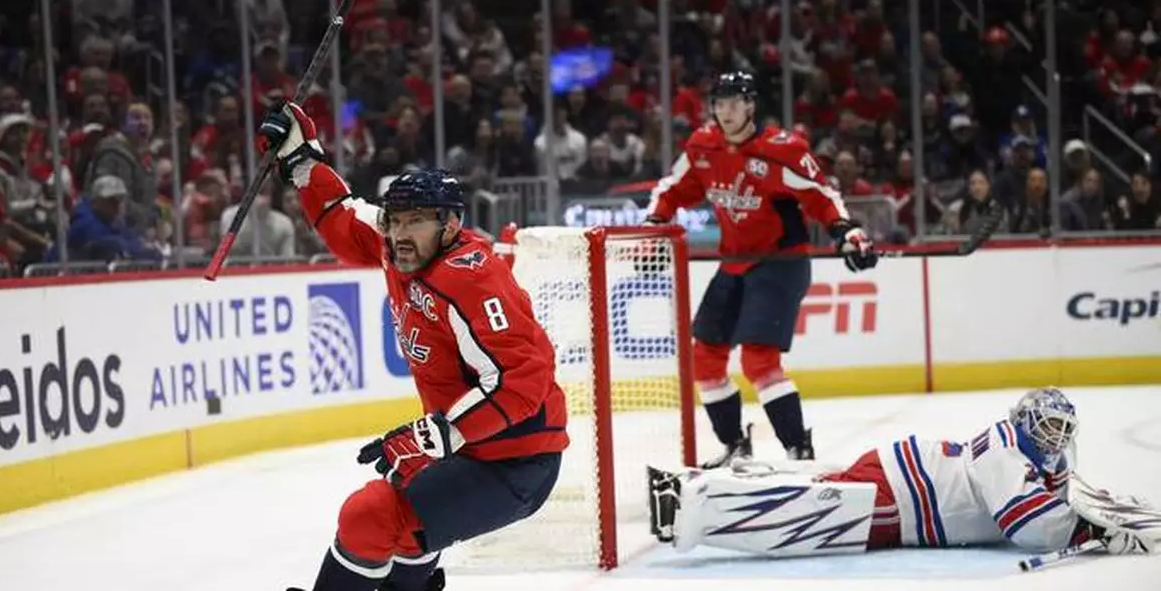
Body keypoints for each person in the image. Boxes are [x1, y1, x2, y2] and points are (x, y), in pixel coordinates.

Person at [255, 101, 568, 591]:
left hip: (516, 461)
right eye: (395, 221)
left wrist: (438, 436)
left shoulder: (472, 278)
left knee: (370, 516)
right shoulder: (397, 244)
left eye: (416, 221)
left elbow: (522, 381)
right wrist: (300, 161)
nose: (400, 233)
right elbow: (343, 218)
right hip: (468, 448)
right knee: (403, 533)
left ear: (449, 225)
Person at [644, 71, 878, 466]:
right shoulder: (703, 146)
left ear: (751, 105)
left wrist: (847, 230)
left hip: (779, 264)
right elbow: (672, 189)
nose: (725, 111)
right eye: (719, 103)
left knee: (758, 360)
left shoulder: (781, 150)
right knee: (705, 358)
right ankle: (736, 445)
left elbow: (821, 195)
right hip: (734, 263)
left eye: (734, 102)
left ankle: (797, 448)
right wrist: (655, 223)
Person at [647, 387, 1153, 558]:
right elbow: (1029, 527)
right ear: (1025, 425)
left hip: (901, 477)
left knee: (820, 492)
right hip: (903, 498)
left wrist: (1095, 516)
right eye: (1046, 430)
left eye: (1061, 432)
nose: (1054, 441)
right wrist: (1086, 529)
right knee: (811, 522)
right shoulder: (1005, 453)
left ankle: (710, 486)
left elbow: (1057, 497)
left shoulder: (1022, 450)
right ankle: (695, 506)